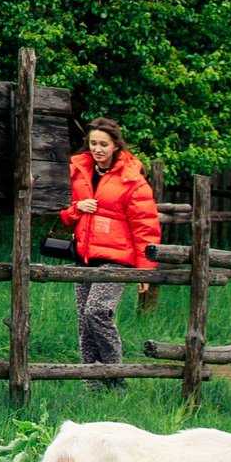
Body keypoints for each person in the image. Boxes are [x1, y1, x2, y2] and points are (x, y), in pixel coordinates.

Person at [60, 115, 160, 386]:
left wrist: (145, 270)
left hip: (116, 259)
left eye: (103, 144)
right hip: (84, 257)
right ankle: (91, 383)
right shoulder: (77, 171)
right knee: (84, 321)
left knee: (97, 312)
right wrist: (76, 209)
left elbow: (145, 227)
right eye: (93, 143)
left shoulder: (132, 180)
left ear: (116, 145)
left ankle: (116, 379)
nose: (97, 149)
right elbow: (62, 211)